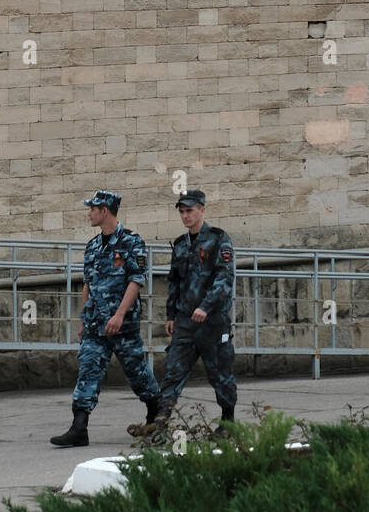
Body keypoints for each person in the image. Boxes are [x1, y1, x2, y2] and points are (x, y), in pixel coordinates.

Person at [50, 190, 160, 448]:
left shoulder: (132, 241)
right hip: (95, 324)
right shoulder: (93, 246)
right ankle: (79, 428)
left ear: (105, 211)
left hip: (123, 325)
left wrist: (120, 314)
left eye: (92, 209)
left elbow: (137, 280)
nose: (89, 213)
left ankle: (157, 413)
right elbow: (87, 284)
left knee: (137, 372)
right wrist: (82, 319)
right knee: (88, 369)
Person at [129, 187, 236, 434]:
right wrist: (170, 314)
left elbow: (224, 279)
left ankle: (228, 423)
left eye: (190, 211)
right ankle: (160, 423)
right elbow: (174, 281)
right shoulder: (180, 245)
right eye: (182, 211)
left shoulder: (219, 239)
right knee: (173, 372)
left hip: (212, 322)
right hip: (186, 322)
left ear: (202, 210)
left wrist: (205, 307)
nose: (185, 216)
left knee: (220, 374)